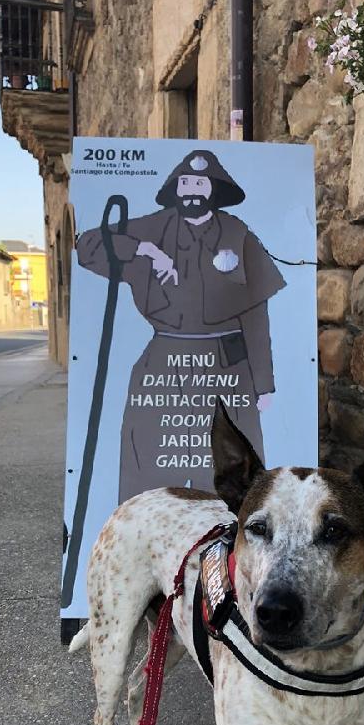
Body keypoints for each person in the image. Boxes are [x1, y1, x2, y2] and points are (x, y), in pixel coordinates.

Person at [76, 149, 286, 500]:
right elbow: (88, 245)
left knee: (229, 464)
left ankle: (224, 545)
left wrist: (262, 384)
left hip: (226, 363)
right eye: (185, 182)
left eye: (199, 183)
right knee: (150, 457)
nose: (191, 189)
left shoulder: (237, 233)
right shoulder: (155, 227)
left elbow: (256, 314)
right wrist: (145, 249)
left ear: (213, 189)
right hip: (165, 357)